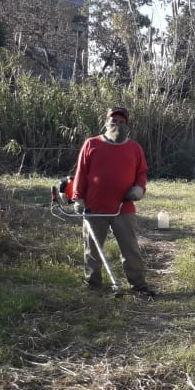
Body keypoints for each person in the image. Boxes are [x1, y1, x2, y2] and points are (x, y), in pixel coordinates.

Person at [72, 106, 155, 299]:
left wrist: (138, 189)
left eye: (122, 122)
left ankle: (138, 285)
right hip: (94, 207)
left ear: (127, 126)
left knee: (130, 248)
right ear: (106, 123)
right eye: (114, 121)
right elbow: (81, 173)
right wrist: (78, 198)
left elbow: (141, 173)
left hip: (123, 207)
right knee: (92, 249)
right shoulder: (91, 144)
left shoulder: (134, 148)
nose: (118, 124)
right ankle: (93, 284)